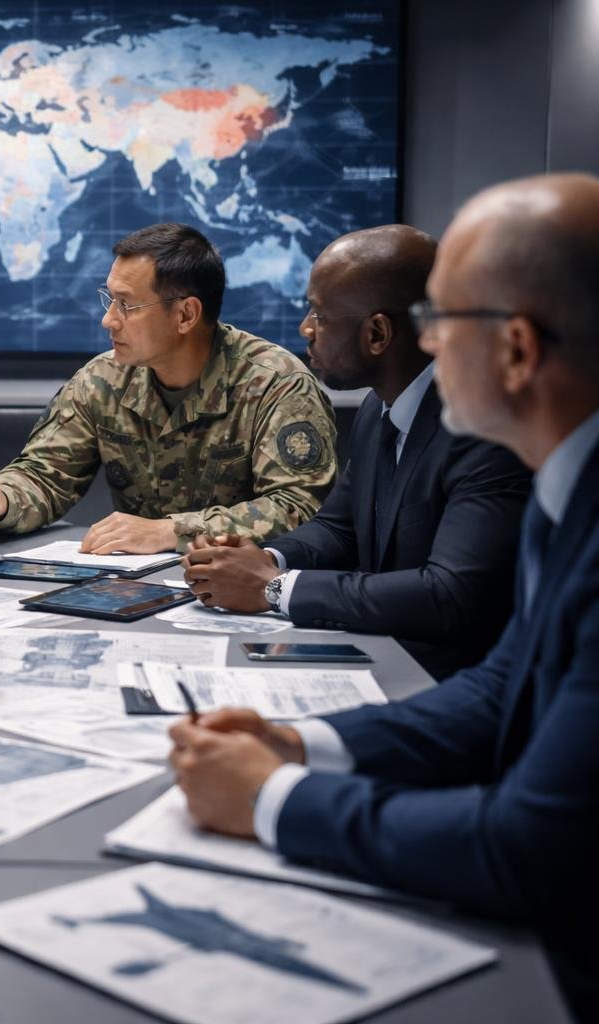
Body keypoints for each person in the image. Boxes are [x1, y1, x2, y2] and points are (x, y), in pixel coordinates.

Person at [169, 173, 599, 1018]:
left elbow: (525, 852)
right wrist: (299, 744)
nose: (425, 344)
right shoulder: (568, 490)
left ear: (514, 349)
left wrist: (270, 797)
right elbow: (500, 687)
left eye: (440, 321)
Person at [181, 226, 530, 678]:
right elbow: (338, 529)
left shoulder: (481, 427)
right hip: (386, 655)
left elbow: (450, 593)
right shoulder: (377, 407)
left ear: (378, 333)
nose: (305, 328)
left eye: (319, 314)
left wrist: (274, 588)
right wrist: (262, 558)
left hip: (452, 682)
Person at [0, 223, 336, 553]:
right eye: (108, 300)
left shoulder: (276, 384)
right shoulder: (103, 379)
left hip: (243, 594)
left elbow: (299, 508)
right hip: (132, 586)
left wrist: (170, 531)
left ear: (185, 314)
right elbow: (46, 477)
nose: (108, 321)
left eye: (125, 305)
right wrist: (1, 500)